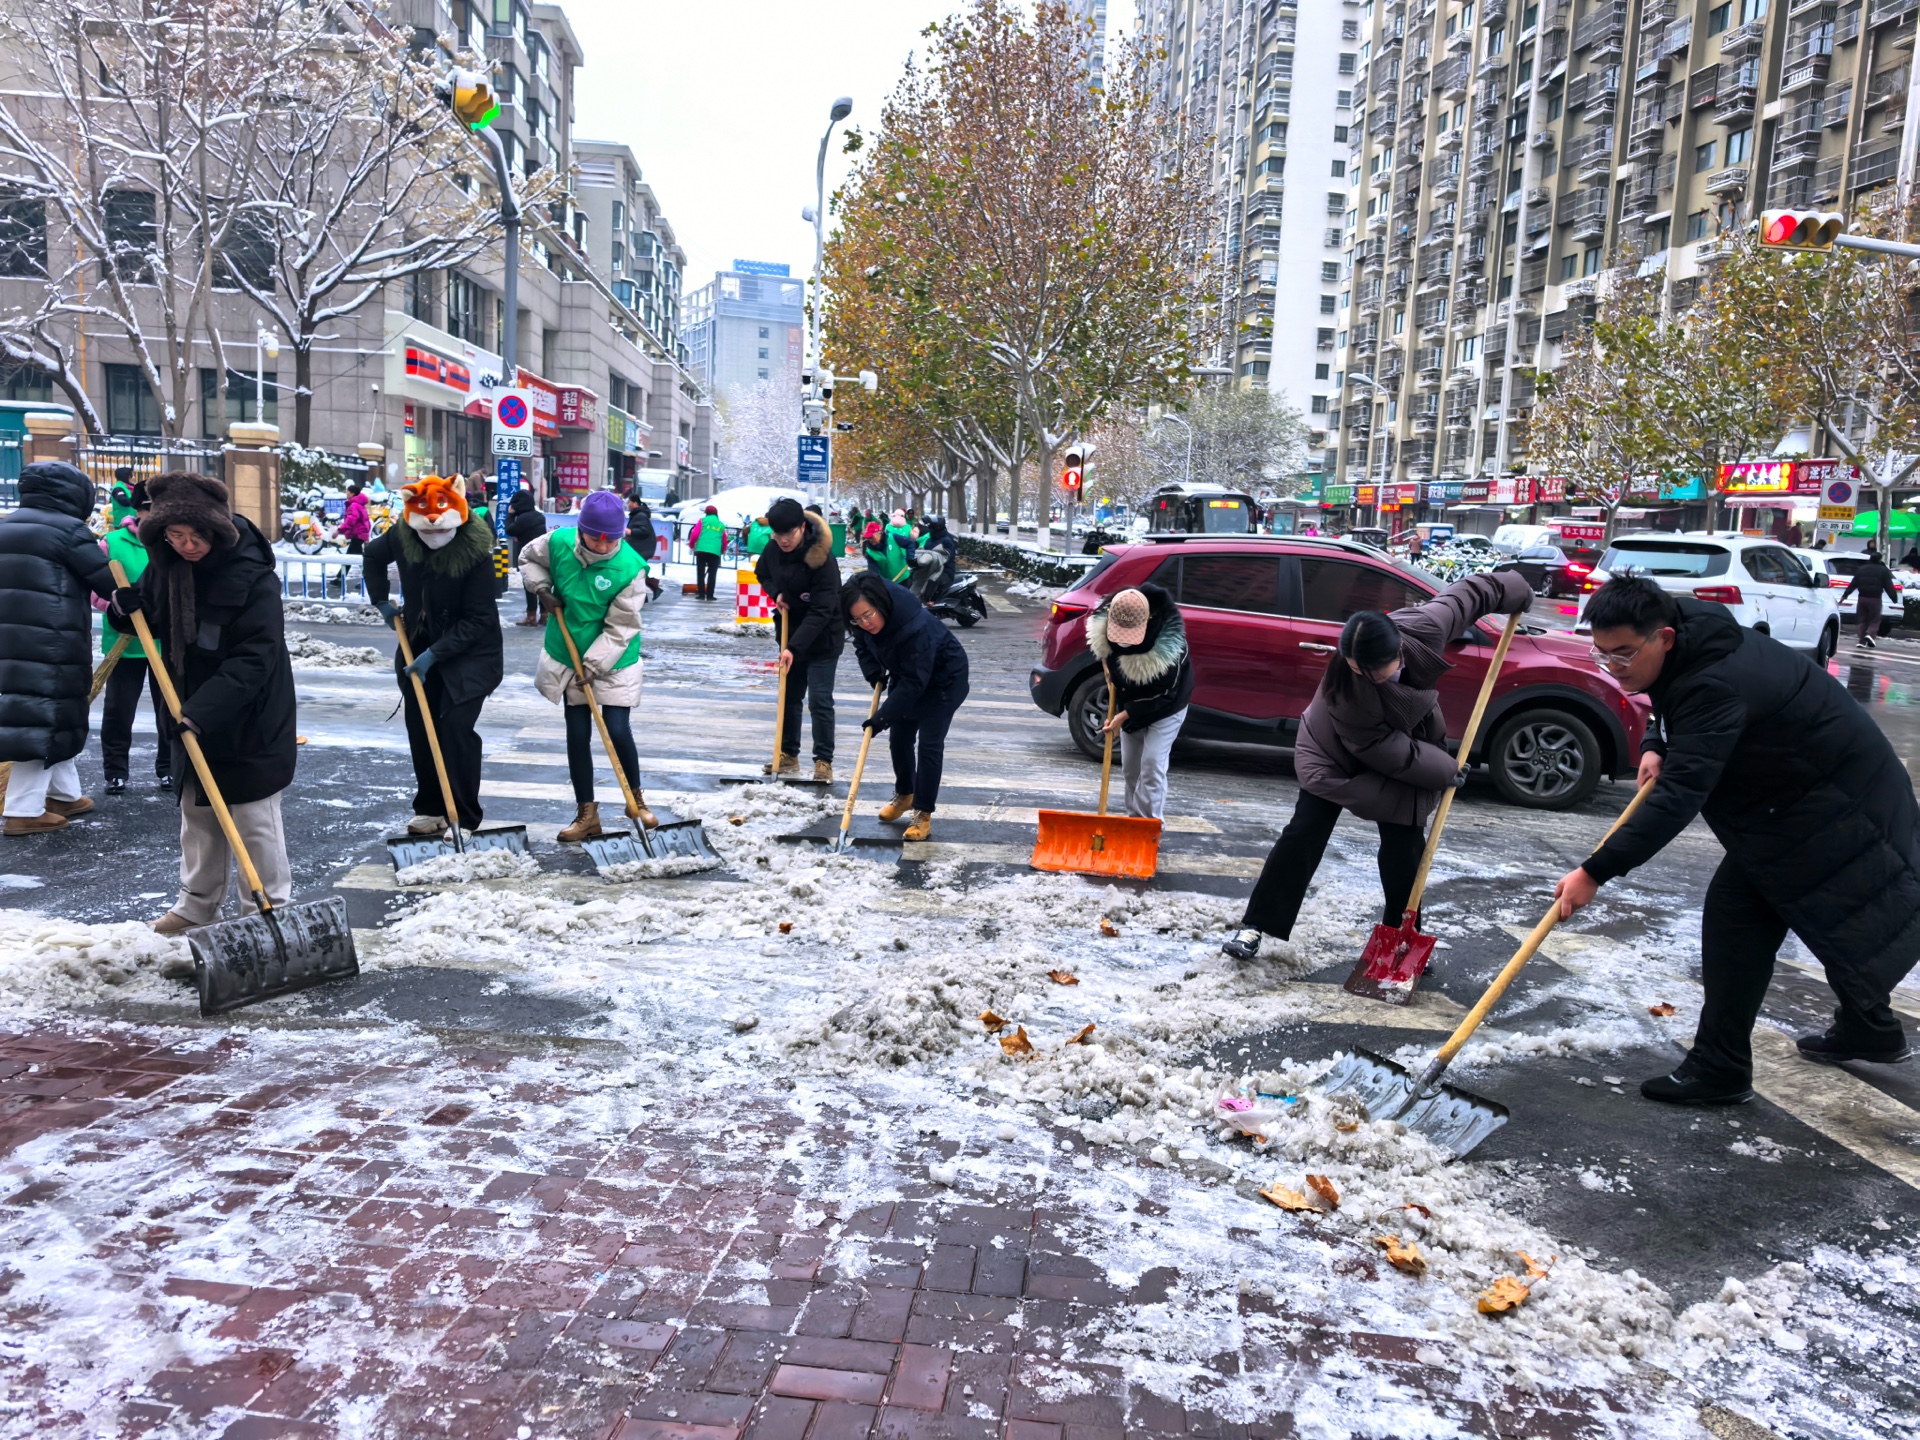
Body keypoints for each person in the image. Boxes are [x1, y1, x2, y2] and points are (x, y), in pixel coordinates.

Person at [1553, 576, 1920, 1103]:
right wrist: (1658, 739)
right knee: (1831, 910)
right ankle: (1870, 1029)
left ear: (1665, 637)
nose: (1615, 666)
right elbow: (1664, 694)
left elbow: (1680, 796)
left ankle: (1720, 1068)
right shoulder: (1691, 630)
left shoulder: (1714, 683)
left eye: (1625, 653)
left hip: (1830, 802)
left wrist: (1595, 871)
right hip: (1807, 791)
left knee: (1746, 915)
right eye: (1603, 653)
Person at [1222, 571, 1533, 961]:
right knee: (1305, 832)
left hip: (1405, 742)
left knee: (1405, 843)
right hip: (1334, 753)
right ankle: (1256, 926)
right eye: (1353, 666)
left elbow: (1468, 595)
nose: (1360, 674)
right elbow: (1380, 747)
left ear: (1397, 652)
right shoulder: (1347, 687)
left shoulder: (1424, 628)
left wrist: (1515, 591)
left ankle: (1401, 940)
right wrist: (1444, 769)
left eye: (1368, 669)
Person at [121, 472, 296, 934]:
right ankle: (196, 905)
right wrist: (124, 608)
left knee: (252, 816)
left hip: (248, 714)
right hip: (185, 707)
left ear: (216, 529)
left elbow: (257, 656)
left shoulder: (253, 576)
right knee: (197, 814)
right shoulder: (164, 567)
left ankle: (266, 911)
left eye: (195, 535)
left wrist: (203, 711)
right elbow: (144, 616)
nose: (186, 545)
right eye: (175, 536)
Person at [360, 477, 504, 838]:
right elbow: (373, 556)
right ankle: (431, 808)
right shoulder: (404, 534)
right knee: (422, 727)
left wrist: (435, 655)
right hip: (418, 641)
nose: (434, 541)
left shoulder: (477, 554)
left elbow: (479, 620)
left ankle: (465, 817)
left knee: (454, 728)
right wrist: (380, 599)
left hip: (471, 653)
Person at [520, 490, 653, 842]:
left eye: (612, 539)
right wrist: (542, 589)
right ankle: (586, 813)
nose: (604, 545)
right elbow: (528, 558)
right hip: (567, 650)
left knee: (617, 728)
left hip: (614, 657)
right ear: (581, 530)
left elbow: (621, 627)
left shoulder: (630, 568)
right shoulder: (559, 542)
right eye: (596, 537)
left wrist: (593, 665)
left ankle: (635, 799)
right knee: (577, 734)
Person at [0, 462, 115, 835]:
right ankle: (23, 810)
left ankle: (65, 795)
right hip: (50, 641)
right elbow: (106, 580)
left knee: (46, 715)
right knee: (45, 719)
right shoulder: (69, 531)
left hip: (10, 642)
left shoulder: (5, 525)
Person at [843, 571, 970, 842]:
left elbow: (915, 683)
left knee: (929, 745)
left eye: (869, 616)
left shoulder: (915, 627)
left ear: (881, 606)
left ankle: (923, 813)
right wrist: (872, 672)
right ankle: (905, 793)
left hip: (944, 680)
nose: (865, 623)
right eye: (857, 618)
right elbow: (862, 644)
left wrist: (880, 718)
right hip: (907, 672)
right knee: (899, 738)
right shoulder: (861, 621)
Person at [754, 497, 845, 782]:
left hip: (822, 637)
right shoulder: (773, 549)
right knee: (790, 697)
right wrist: (776, 594)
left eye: (788, 535)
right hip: (790, 632)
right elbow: (762, 573)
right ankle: (788, 755)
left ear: (802, 528)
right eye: (777, 535)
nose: (782, 541)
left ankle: (823, 760)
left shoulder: (821, 558)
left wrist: (794, 647)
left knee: (819, 699)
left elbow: (822, 610)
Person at [1086, 585, 1192, 820]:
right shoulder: (1107, 628)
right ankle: (1133, 820)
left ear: (1150, 617)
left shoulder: (1170, 651)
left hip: (1166, 706)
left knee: (1152, 764)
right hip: (1131, 701)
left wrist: (1123, 716)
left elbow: (1166, 694)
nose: (1123, 640)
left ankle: (1150, 825)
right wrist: (1106, 666)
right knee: (1131, 767)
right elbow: (1108, 662)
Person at [98, 479, 174, 796]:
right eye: (147, 509)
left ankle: (170, 768)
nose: (151, 516)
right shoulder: (111, 543)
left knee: (170, 708)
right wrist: (116, 601)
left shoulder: (174, 543)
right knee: (119, 709)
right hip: (123, 643)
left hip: (165, 644)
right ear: (137, 510)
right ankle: (116, 771)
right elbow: (95, 591)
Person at [1840, 546, 1900, 650]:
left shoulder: (1861, 569)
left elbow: (1853, 584)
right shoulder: (1883, 570)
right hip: (1875, 598)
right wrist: (1894, 598)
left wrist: (1844, 596)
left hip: (1862, 598)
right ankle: (1870, 635)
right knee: (1875, 619)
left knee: (1862, 620)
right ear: (1880, 560)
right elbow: (1888, 586)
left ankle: (1861, 641)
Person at [505, 484, 548, 627]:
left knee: (530, 585)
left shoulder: (523, 519)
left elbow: (510, 531)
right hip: (543, 555)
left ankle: (531, 616)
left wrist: (510, 516)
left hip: (528, 556)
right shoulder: (539, 516)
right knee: (543, 584)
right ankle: (544, 614)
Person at [625, 492, 663, 599]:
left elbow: (644, 531)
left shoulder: (640, 515)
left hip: (642, 549)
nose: (628, 505)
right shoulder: (638, 514)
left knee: (637, 572)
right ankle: (650, 589)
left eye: (629, 502)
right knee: (637, 572)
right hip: (640, 548)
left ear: (635, 503)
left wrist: (630, 532)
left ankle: (648, 591)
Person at [690, 503, 725, 601]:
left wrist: (692, 544)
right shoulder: (721, 524)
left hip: (701, 550)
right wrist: (721, 550)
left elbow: (695, 533)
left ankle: (701, 594)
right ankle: (710, 595)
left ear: (706, 513)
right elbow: (724, 540)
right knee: (712, 574)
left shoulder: (702, 521)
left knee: (700, 572)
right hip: (714, 552)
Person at [864, 520, 913, 584]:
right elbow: (873, 571)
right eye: (868, 538)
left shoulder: (893, 538)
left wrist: (910, 557)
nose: (870, 540)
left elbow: (910, 543)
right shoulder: (870, 552)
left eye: (872, 537)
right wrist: (877, 582)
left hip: (903, 578)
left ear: (879, 533)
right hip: (889, 584)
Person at [339, 478, 372, 555]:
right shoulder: (359, 504)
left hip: (358, 534)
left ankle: (345, 567)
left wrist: (339, 530)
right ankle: (366, 566)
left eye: (348, 491)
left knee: (349, 556)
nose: (346, 493)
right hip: (360, 533)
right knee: (358, 554)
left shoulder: (354, 505)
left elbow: (351, 520)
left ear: (352, 493)